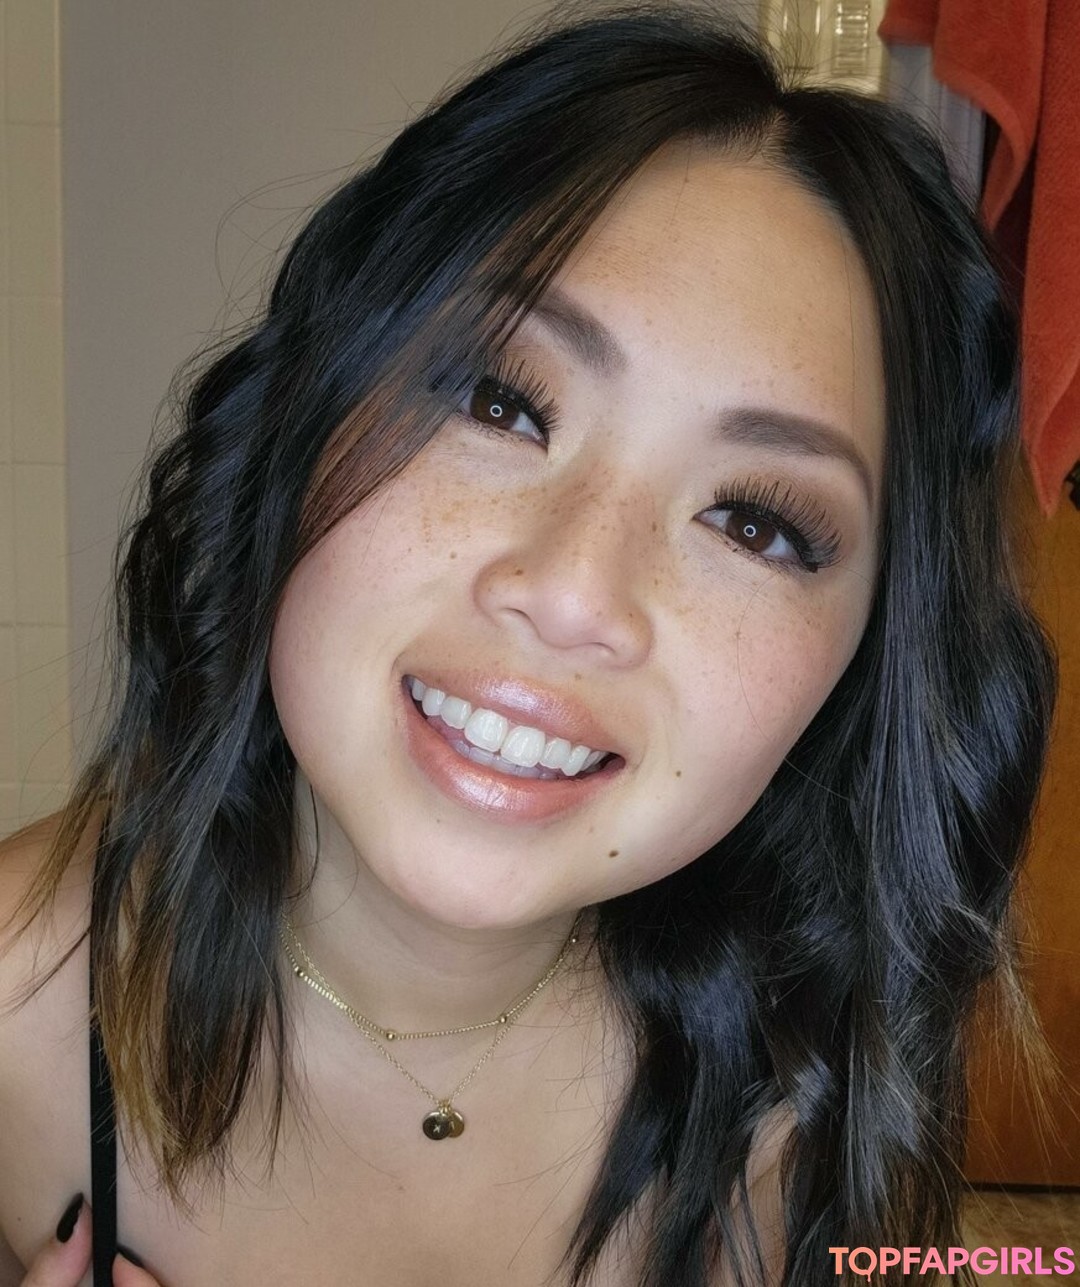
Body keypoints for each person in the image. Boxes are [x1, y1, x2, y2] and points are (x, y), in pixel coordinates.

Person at [0, 4, 1057, 1285]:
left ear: (859, 667)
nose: (571, 593)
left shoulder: (805, 1080)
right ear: (310, 410)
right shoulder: (17, 1008)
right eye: (501, 401)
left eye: (755, 522)